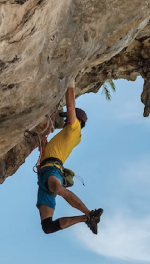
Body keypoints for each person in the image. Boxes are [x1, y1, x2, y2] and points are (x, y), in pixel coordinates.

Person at [36, 80, 103, 234]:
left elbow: (71, 105)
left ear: (77, 120)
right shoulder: (70, 135)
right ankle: (86, 218)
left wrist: (70, 83)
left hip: (52, 170)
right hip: (45, 175)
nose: (65, 120)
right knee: (48, 227)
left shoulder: (74, 129)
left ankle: (89, 213)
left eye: (68, 118)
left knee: (58, 188)